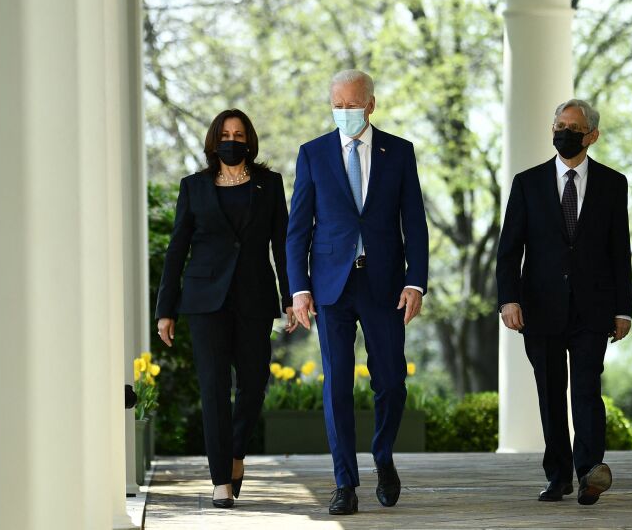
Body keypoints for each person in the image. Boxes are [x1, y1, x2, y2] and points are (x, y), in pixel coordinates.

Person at [286, 69, 429, 515]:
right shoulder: (312, 154)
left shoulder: (399, 152)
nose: (344, 112)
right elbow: (298, 231)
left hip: (384, 284)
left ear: (371, 104)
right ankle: (344, 482)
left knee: (391, 382)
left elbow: (416, 224)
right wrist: (299, 290)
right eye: (338, 104)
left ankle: (382, 457)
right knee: (337, 388)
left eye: (352, 104)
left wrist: (415, 280)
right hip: (331, 287)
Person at [155, 109, 296, 508]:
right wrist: (166, 309)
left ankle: (235, 453)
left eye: (239, 133)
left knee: (253, 383)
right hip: (204, 302)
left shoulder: (269, 184)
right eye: (225, 134)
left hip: (254, 298)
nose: (232, 140)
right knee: (214, 388)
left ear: (249, 140)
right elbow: (177, 249)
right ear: (214, 141)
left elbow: (282, 245)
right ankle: (221, 479)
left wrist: (291, 296)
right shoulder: (193, 187)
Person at [496, 99, 632, 505]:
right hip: (539, 308)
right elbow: (508, 251)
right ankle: (558, 476)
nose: (563, 132)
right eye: (558, 124)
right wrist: (508, 300)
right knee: (551, 394)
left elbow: (619, 250)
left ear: (591, 135)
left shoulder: (613, 183)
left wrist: (622, 309)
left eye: (572, 126)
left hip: (594, 309)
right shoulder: (527, 183)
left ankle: (590, 472)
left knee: (587, 390)